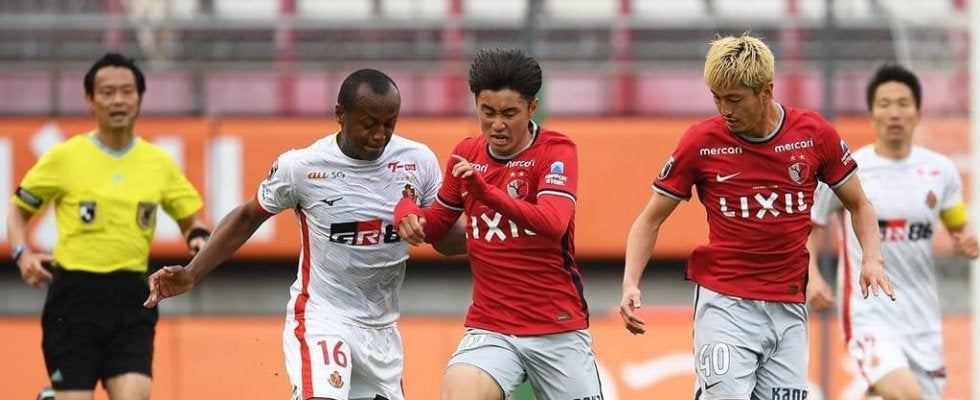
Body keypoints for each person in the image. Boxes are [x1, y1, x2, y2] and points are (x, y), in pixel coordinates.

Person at [142, 68, 464, 400]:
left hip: (381, 332)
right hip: (323, 316)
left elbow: (442, 237)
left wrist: (489, 231)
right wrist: (192, 273)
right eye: (369, 124)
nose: (380, 135)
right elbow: (248, 216)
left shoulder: (418, 161)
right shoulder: (302, 167)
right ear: (340, 114)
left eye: (389, 124)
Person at [618, 34, 895, 399]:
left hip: (788, 307)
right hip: (725, 304)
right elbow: (650, 218)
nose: (724, 110)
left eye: (734, 99)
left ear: (766, 91)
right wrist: (630, 282)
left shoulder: (814, 135)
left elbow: (859, 204)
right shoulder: (701, 142)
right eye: (716, 98)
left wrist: (872, 259)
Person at [394, 47, 604, 400]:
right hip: (491, 327)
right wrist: (405, 211)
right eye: (487, 111)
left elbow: (554, 222)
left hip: (556, 326)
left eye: (509, 113)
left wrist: (488, 194)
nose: (497, 124)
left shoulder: (556, 150)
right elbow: (437, 227)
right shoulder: (467, 154)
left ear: (532, 108)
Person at [7, 52, 210, 400]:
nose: (118, 100)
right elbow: (18, 212)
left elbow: (191, 220)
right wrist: (21, 254)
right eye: (107, 92)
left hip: (132, 297)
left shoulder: (158, 162)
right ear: (90, 99)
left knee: (135, 394)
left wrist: (199, 241)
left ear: (140, 98)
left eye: (127, 91)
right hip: (73, 298)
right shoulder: (64, 157)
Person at [808, 63, 979, 399]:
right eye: (885, 104)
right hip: (869, 315)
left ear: (918, 113)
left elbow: (958, 226)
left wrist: (966, 239)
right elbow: (809, 225)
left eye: (903, 104)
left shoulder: (941, 171)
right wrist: (813, 277)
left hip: (923, 321)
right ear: (872, 114)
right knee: (908, 396)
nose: (894, 113)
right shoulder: (850, 171)